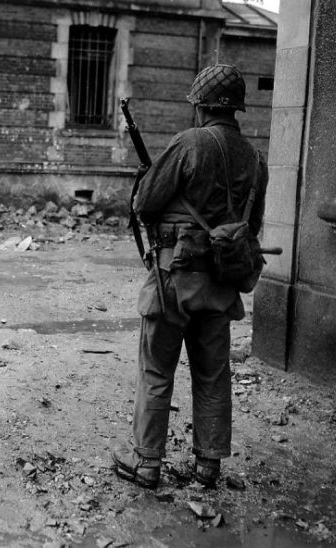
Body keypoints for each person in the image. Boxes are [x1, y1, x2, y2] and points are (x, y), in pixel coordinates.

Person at [112, 64, 268, 489]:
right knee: (213, 374)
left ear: (199, 106)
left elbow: (145, 204)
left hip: (174, 281)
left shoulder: (190, 143)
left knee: (157, 369)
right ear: (236, 109)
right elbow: (252, 227)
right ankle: (208, 466)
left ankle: (147, 464)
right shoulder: (256, 160)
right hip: (221, 283)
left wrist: (149, 181)